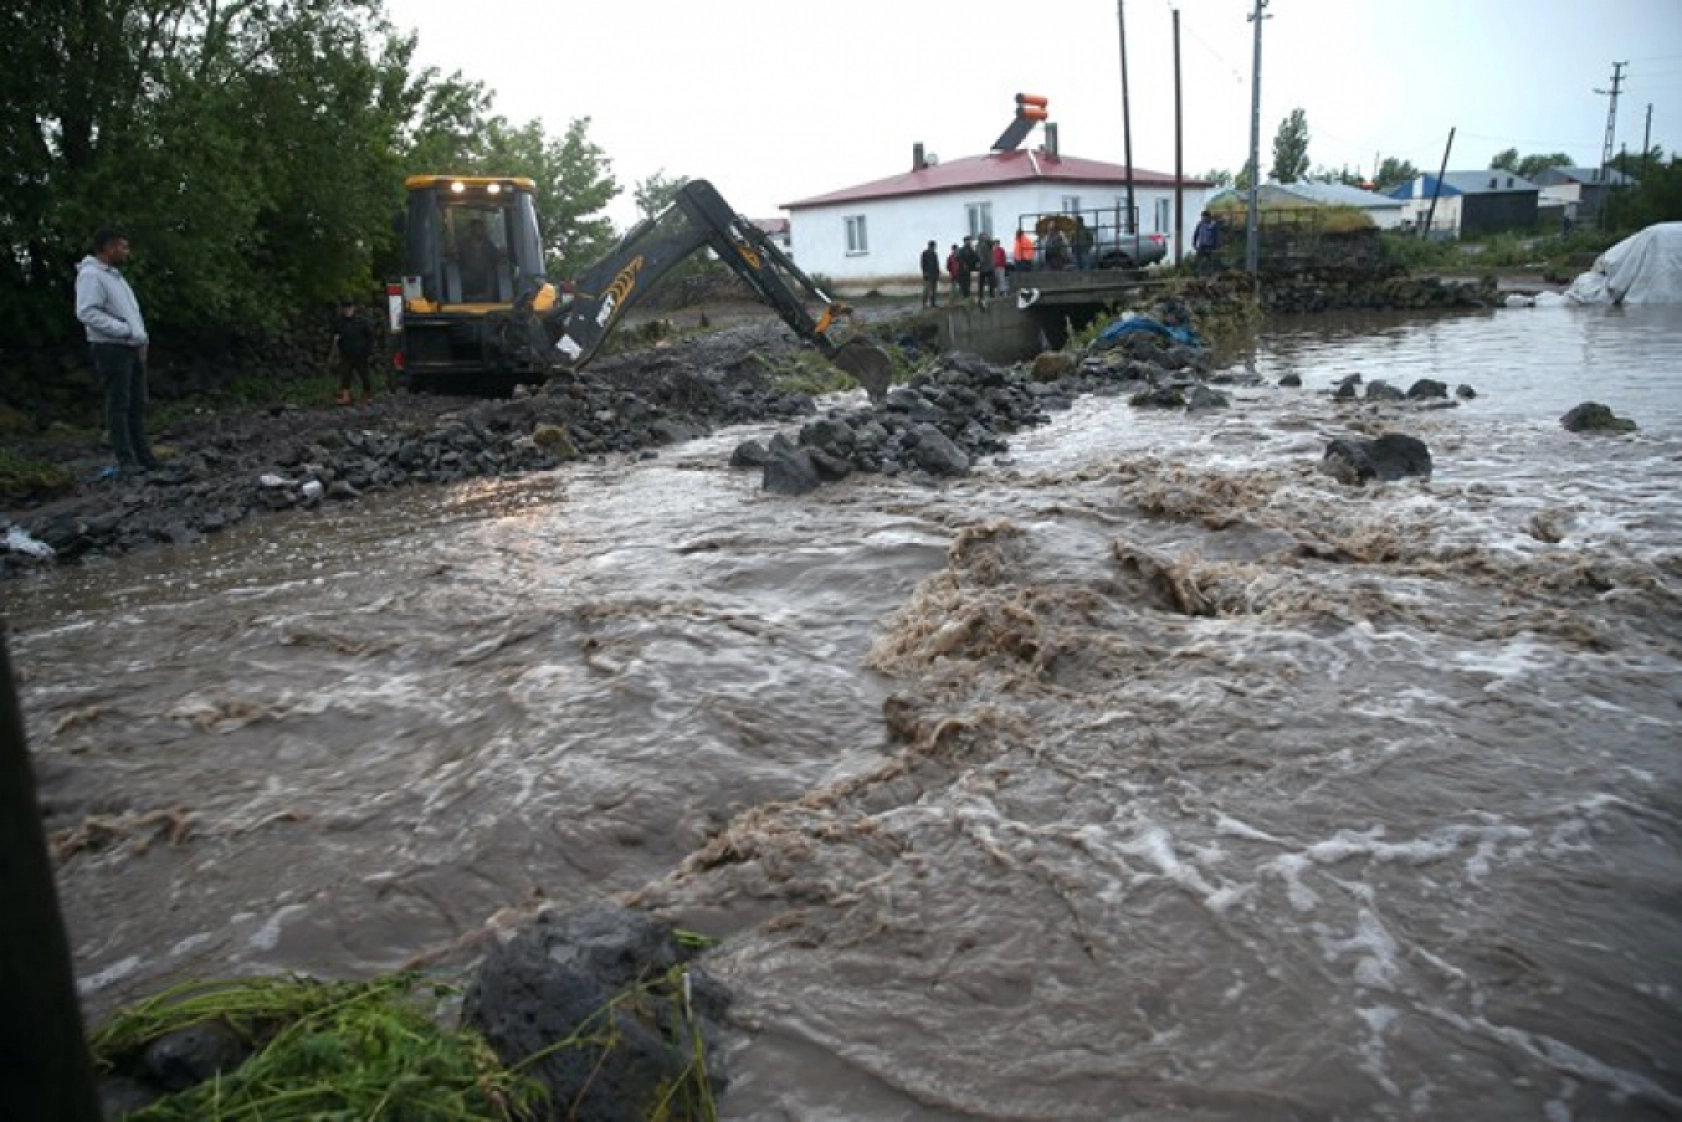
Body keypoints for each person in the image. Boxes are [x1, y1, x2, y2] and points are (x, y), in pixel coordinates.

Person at [75, 227, 159, 477]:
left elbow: (130, 313)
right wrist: (124, 331)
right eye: (123, 247)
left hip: (130, 347)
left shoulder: (114, 277)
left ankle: (144, 457)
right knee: (119, 404)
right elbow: (87, 312)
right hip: (111, 347)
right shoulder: (91, 275)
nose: (126, 252)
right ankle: (126, 459)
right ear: (108, 247)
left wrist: (140, 339)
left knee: (136, 404)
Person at [328, 299, 376, 405]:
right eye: (345, 308)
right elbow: (334, 335)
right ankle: (346, 397)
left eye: (349, 308)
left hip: (360, 353)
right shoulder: (339, 322)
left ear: (353, 309)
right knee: (345, 375)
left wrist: (368, 350)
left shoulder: (362, 322)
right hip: (346, 353)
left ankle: (367, 395)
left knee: (364, 375)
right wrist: (336, 341)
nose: (347, 310)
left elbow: (370, 337)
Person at [456, 217, 502, 301]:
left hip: (486, 275)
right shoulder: (463, 244)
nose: (481, 230)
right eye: (478, 228)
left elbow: (496, 257)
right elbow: (455, 256)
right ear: (472, 230)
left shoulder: (489, 244)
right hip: (467, 274)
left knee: (493, 275)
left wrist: (502, 254)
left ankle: (490, 300)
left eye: (482, 228)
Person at [1193, 210, 1222, 275]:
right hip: (1202, 245)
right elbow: (1196, 234)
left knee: (1209, 260)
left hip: (1210, 245)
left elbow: (1217, 235)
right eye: (1202, 217)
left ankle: (1209, 272)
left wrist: (1217, 245)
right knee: (1198, 259)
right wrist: (1194, 243)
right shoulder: (1200, 224)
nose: (1203, 218)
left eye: (1204, 217)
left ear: (1208, 217)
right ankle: (1197, 272)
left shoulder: (1213, 225)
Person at [920, 240, 941, 308]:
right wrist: (925, 273)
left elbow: (936, 264)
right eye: (934, 246)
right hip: (928, 275)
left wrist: (938, 272)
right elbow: (923, 264)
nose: (935, 248)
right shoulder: (925, 253)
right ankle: (924, 303)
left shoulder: (934, 254)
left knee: (934, 290)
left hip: (934, 274)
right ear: (930, 246)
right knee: (926, 289)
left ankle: (933, 303)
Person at [957, 236, 980, 301]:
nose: (969, 242)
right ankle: (963, 298)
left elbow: (976, 258)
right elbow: (958, 258)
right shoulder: (961, 250)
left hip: (968, 271)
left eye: (970, 241)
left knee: (967, 285)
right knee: (963, 286)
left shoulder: (971, 250)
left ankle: (967, 298)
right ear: (965, 242)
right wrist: (964, 264)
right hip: (962, 271)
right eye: (968, 241)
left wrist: (976, 263)